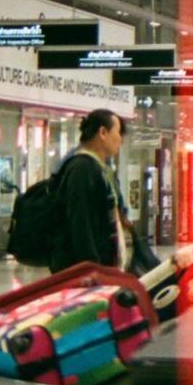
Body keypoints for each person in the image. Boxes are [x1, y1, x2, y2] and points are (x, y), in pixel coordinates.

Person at [50, 109, 129, 271]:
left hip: (101, 265)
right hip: (82, 272)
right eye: (118, 132)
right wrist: (90, 268)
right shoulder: (82, 168)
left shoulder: (99, 167)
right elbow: (80, 222)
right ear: (102, 132)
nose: (120, 139)